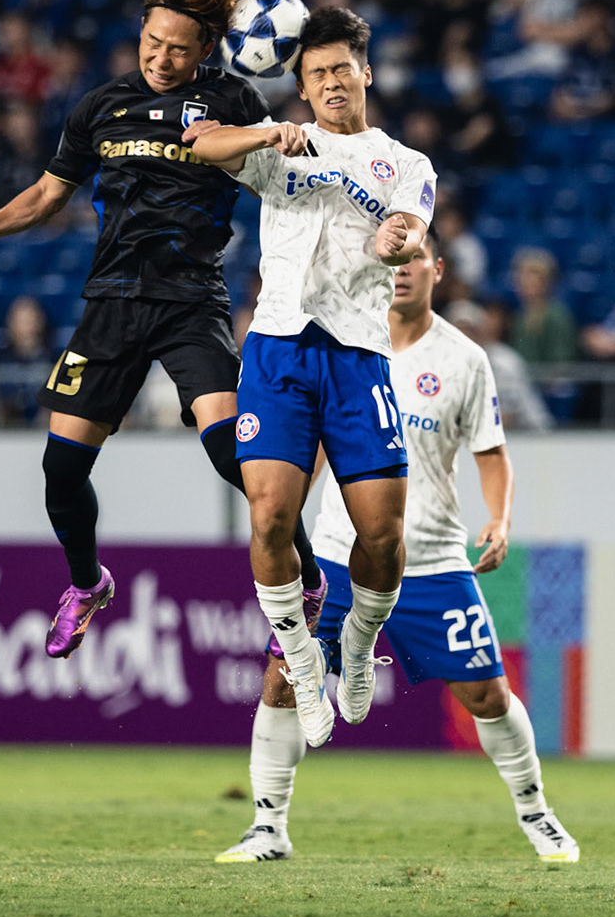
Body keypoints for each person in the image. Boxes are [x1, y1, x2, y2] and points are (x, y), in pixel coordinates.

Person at [0, 0, 328, 658]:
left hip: (189, 301)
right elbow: (50, 194)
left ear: (210, 48)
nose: (163, 59)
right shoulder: (99, 108)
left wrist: (282, 134)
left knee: (233, 454)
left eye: (179, 49)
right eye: (152, 44)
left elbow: (277, 182)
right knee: (60, 471)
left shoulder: (234, 102)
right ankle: (87, 584)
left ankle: (309, 580)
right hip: (111, 303)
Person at [215, 230, 576, 864]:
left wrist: (500, 519)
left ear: (438, 269)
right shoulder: (344, 344)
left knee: (489, 695)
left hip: (433, 558)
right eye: (395, 258)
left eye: (416, 259)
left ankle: (535, 811)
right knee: (282, 678)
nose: (403, 269)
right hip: (333, 550)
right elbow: (310, 441)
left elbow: (491, 453)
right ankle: (267, 825)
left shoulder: (465, 359)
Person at [185, 6, 432, 748]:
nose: (329, 82)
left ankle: (358, 641)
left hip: (358, 356)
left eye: (340, 69)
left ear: (366, 72)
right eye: (315, 72)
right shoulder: (281, 147)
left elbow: (413, 221)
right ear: (299, 85)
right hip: (278, 351)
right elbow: (199, 143)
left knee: (383, 537)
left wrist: (401, 239)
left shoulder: (405, 162)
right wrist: (265, 132)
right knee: (269, 519)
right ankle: (300, 652)